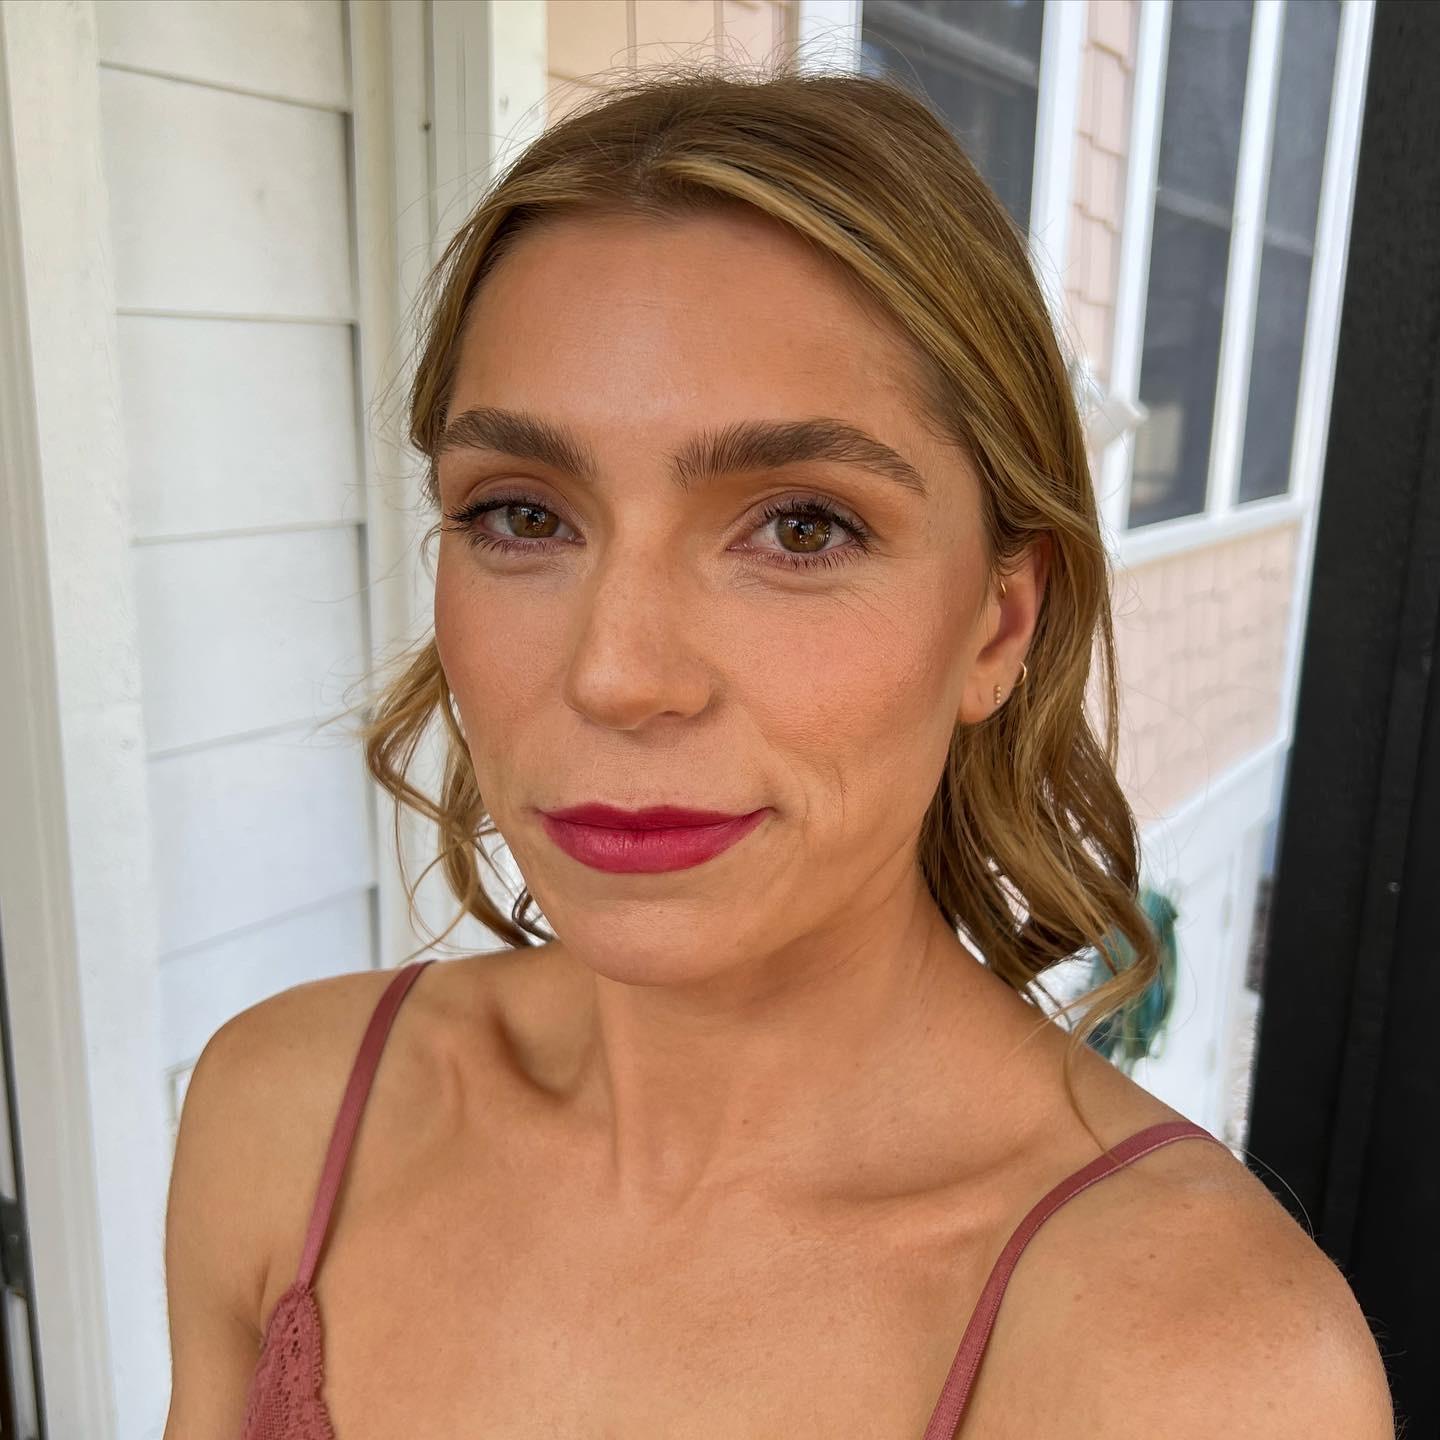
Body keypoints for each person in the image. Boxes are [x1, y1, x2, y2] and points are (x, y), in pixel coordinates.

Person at [162, 62, 1395, 1439]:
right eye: (522, 515)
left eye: (801, 528)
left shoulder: (1194, 1365)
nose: (616, 674)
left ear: (999, 624)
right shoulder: (282, 1119)